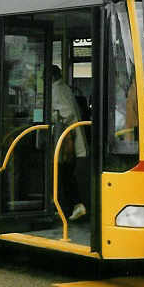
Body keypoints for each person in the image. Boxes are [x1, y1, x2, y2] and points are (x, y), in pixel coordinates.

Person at [51, 65, 89, 221]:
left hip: (65, 139)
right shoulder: (64, 87)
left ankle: (73, 205)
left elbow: (66, 113)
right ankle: (69, 206)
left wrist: (50, 116)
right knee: (65, 174)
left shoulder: (56, 90)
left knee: (62, 174)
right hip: (70, 138)